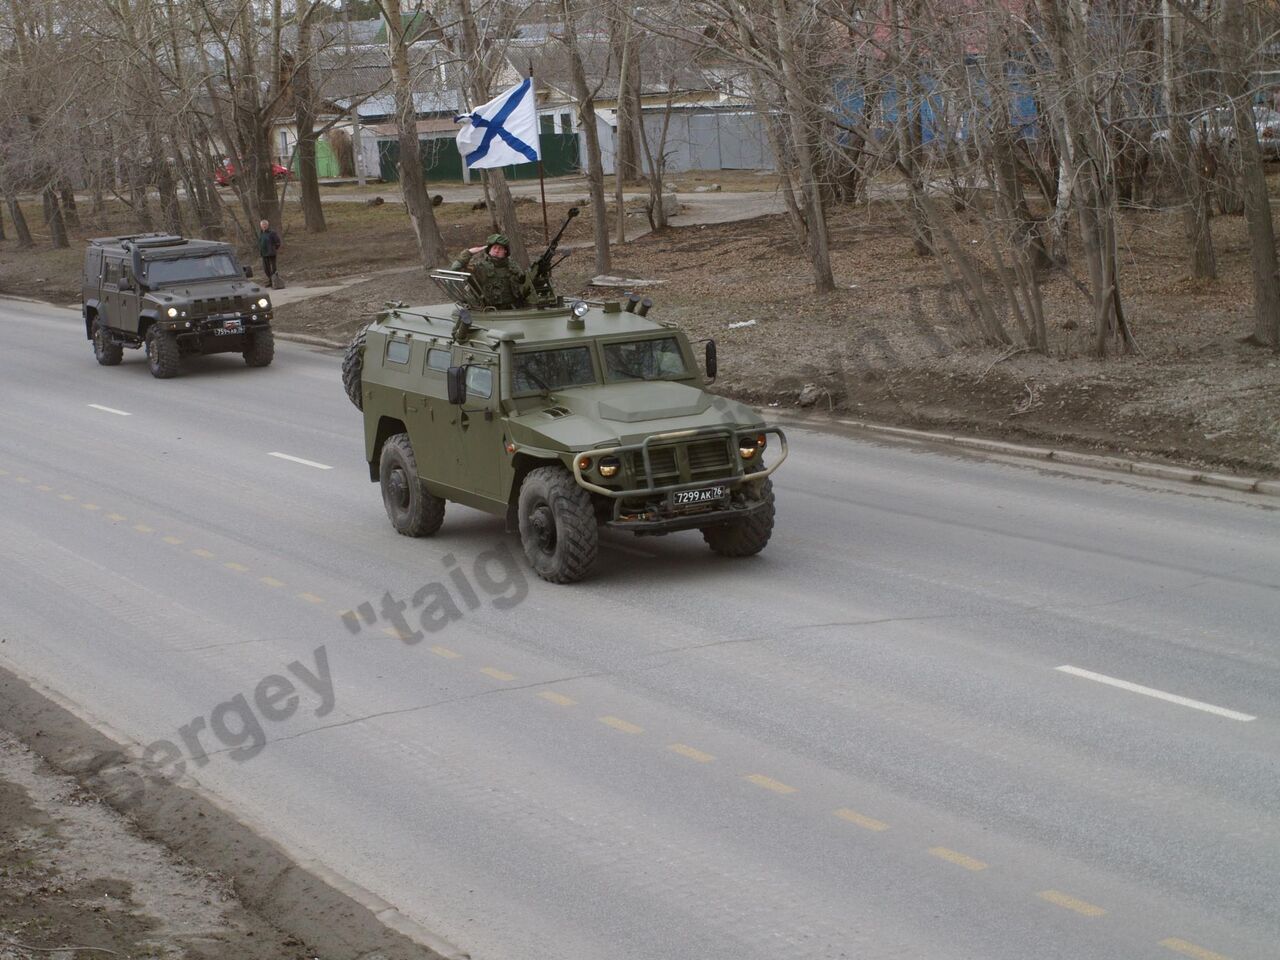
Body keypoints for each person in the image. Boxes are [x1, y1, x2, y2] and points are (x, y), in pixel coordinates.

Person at [450, 233, 532, 309]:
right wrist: (469, 253)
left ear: (505, 251)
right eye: (494, 248)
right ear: (489, 250)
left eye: (500, 248)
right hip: (490, 311)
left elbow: (524, 285)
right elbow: (455, 269)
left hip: (514, 310)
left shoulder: (513, 267)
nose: (496, 251)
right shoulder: (480, 268)